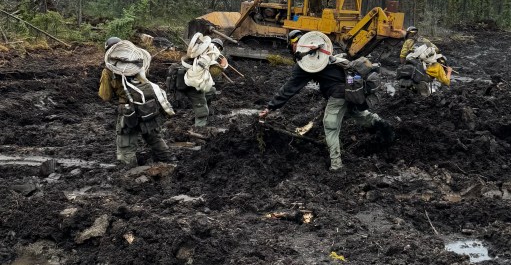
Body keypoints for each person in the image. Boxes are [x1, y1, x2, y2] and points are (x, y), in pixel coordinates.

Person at [259, 30, 394, 172]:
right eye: (295, 43)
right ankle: (384, 128)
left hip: (339, 94)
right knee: (358, 114)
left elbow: (290, 88)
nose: (297, 45)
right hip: (351, 90)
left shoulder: (305, 65)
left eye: (298, 42)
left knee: (330, 125)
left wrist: (270, 107)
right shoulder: (324, 55)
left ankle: (337, 166)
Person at [98, 37, 175, 166]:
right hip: (147, 105)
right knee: (154, 137)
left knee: (126, 144)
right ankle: (171, 164)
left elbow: (105, 96)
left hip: (128, 109)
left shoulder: (108, 70)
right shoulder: (139, 63)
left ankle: (130, 173)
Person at [166, 33, 228, 128]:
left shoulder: (197, 52)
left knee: (211, 90)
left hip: (184, 80)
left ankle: (203, 109)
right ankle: (199, 128)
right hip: (191, 84)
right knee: (201, 110)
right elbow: (207, 72)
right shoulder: (205, 57)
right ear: (218, 48)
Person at [397, 27, 451, 95]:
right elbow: (447, 82)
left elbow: (402, 56)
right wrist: (449, 71)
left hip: (411, 68)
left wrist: (404, 64)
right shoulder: (437, 66)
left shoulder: (407, 42)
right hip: (424, 76)